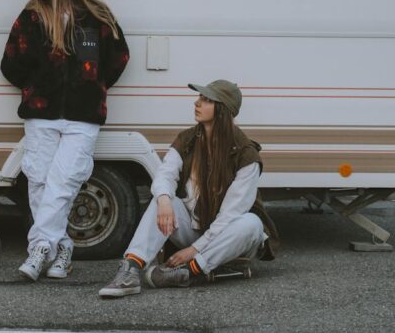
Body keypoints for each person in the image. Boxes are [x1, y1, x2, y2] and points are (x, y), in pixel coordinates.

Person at [0, 0, 130, 281]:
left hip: (83, 117)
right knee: (40, 183)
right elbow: (10, 63)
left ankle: (39, 248)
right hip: (41, 114)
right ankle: (61, 248)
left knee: (63, 182)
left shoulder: (97, 16)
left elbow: (119, 58)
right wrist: (37, 85)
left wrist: (93, 87)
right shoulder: (31, 17)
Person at [98, 79, 278, 298]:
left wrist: (193, 251)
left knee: (252, 224)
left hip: (228, 240)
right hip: (195, 228)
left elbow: (230, 216)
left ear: (222, 109)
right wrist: (164, 200)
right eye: (199, 97)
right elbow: (165, 174)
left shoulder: (246, 155)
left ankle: (188, 272)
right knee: (163, 199)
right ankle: (131, 270)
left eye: (206, 100)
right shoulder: (188, 139)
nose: (197, 103)